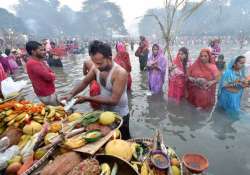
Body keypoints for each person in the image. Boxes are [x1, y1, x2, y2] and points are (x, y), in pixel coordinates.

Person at [63, 41, 130, 139]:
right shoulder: (96, 67)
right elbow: (84, 82)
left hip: (120, 115)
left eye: (99, 63)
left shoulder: (120, 73)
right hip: (104, 114)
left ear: (109, 58)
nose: (96, 66)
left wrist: (87, 98)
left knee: (123, 140)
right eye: (94, 62)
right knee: (106, 141)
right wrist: (71, 94)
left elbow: (114, 100)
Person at [25, 41, 58, 106]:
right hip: (47, 95)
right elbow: (49, 77)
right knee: (58, 112)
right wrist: (52, 75)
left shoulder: (39, 61)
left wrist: (52, 74)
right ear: (33, 52)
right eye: (41, 50)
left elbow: (51, 72)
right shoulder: (33, 63)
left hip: (48, 92)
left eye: (44, 50)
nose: (44, 52)